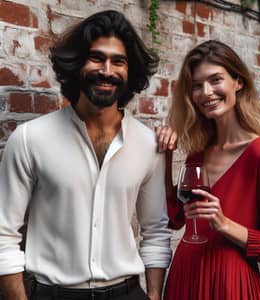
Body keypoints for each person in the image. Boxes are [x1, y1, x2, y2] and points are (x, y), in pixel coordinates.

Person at [0, 10, 172, 300]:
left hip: (127, 293)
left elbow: (155, 230)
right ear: (77, 63)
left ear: (131, 72)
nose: (107, 70)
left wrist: (154, 295)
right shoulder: (30, 139)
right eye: (96, 57)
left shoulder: (147, 144)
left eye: (118, 61)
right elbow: (3, 234)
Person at [156, 40, 260, 300]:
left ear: (238, 82)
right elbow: (176, 219)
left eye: (215, 80)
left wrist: (224, 224)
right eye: (197, 86)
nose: (206, 92)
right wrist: (166, 156)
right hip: (184, 276)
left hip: (230, 282)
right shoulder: (198, 151)